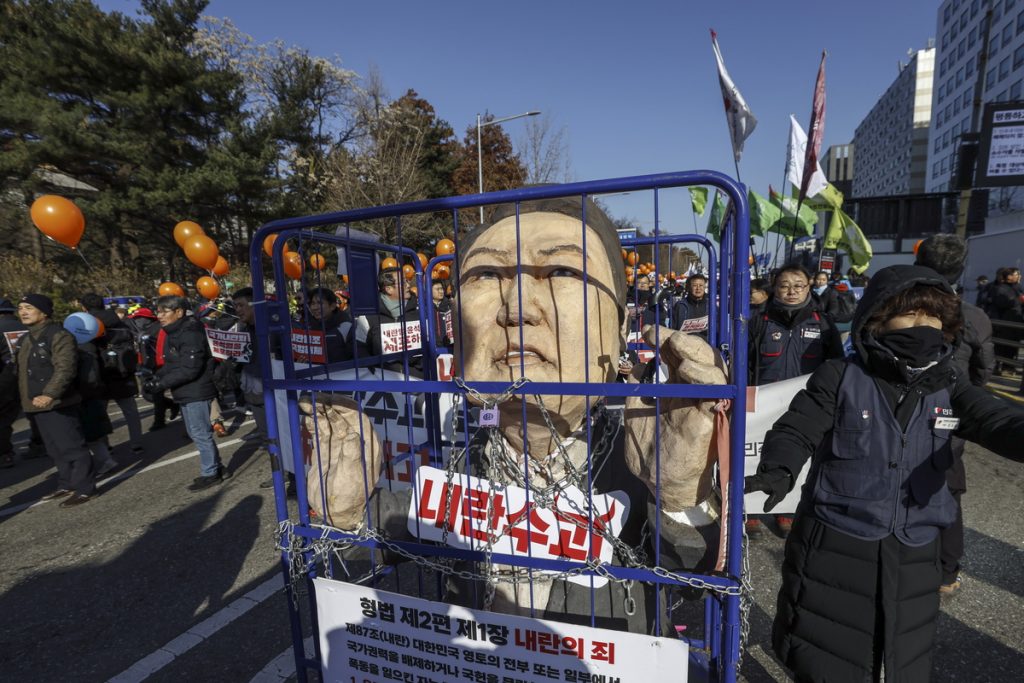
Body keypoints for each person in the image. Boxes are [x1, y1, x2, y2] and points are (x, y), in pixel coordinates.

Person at [299, 196, 726, 633]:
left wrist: (679, 495)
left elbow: (696, 576)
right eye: (486, 274)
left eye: (561, 272)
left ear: (619, 331)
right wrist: (346, 515)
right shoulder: (468, 460)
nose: (517, 308)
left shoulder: (635, 460)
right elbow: (401, 531)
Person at [745, 264, 1024, 682]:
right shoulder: (841, 375)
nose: (922, 325)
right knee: (825, 655)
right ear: (878, 318)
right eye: (909, 314)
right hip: (836, 539)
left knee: (904, 657)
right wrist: (778, 469)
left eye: (933, 316)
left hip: (915, 547)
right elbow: (796, 428)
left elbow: (997, 421)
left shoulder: (950, 384)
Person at [915, 235, 996, 597]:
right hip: (950, 415)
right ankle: (946, 573)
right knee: (948, 490)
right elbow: (984, 370)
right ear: (960, 270)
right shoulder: (973, 315)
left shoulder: (895, 305)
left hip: (898, 410)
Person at [747, 264, 843, 536]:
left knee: (799, 453)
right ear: (774, 289)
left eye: (798, 285)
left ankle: (787, 511)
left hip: (807, 405)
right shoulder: (758, 322)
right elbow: (745, 364)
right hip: (764, 404)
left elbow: (836, 364)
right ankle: (751, 511)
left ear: (808, 287)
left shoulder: (823, 323)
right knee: (756, 452)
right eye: (784, 285)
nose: (791, 291)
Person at [15, 294, 96, 507]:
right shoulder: (26, 338)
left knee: (72, 447)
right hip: (34, 404)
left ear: (44, 312)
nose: (23, 312)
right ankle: (67, 483)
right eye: (21, 308)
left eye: (28, 307)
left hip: (58, 402)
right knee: (54, 449)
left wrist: (50, 394)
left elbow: (65, 368)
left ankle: (84, 488)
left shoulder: (59, 335)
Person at [144, 295, 226, 490]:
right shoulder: (176, 331)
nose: (159, 316)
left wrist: (161, 383)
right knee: (196, 432)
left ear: (179, 312)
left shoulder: (190, 332)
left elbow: (190, 368)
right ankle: (218, 468)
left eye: (164, 312)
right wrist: (157, 376)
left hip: (196, 390)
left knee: (200, 433)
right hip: (187, 390)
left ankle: (211, 473)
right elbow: (175, 363)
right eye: (158, 312)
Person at [79, 293, 143, 454]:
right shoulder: (119, 322)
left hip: (101, 374)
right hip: (123, 372)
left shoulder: (89, 326)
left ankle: (105, 447)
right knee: (130, 411)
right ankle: (137, 443)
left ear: (84, 308)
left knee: (100, 414)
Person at [350, 268, 422, 375]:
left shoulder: (420, 312)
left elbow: (434, 342)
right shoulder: (369, 316)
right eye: (403, 282)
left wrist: (421, 366)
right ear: (389, 289)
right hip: (383, 379)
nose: (408, 285)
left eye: (407, 281)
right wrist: (371, 366)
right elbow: (357, 345)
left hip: (419, 378)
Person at [0, 299, 26, 468]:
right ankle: (40, 443)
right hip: (32, 376)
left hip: (6, 379)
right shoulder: (27, 326)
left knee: (3, 418)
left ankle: (4, 454)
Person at [306, 287, 353, 364]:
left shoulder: (347, 327)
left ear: (332, 306)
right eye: (313, 303)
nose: (315, 307)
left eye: (320, 303)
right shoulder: (308, 327)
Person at [989, 266, 1023, 366]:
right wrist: (1018, 300)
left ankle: (1009, 366)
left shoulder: (1017, 288)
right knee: (1002, 346)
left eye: (1017, 275)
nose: (1016, 276)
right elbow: (1002, 302)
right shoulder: (1000, 288)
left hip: (1016, 322)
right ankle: (999, 366)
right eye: (1013, 275)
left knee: (1013, 347)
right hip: (1005, 323)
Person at [671, 273, 710, 338]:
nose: (698, 288)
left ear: (704, 287)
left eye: (701, 285)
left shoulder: (711, 306)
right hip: (684, 342)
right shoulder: (680, 306)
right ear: (689, 287)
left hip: (706, 343)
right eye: (694, 285)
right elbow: (672, 328)